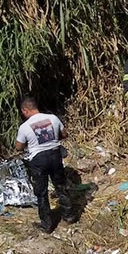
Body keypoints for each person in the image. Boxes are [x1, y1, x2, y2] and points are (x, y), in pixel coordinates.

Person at [15, 96, 73, 234]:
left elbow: (18, 147)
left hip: (39, 160)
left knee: (41, 192)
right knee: (60, 185)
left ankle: (47, 224)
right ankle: (69, 216)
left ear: (25, 110)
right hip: (55, 155)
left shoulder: (24, 127)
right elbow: (64, 134)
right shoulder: (53, 118)